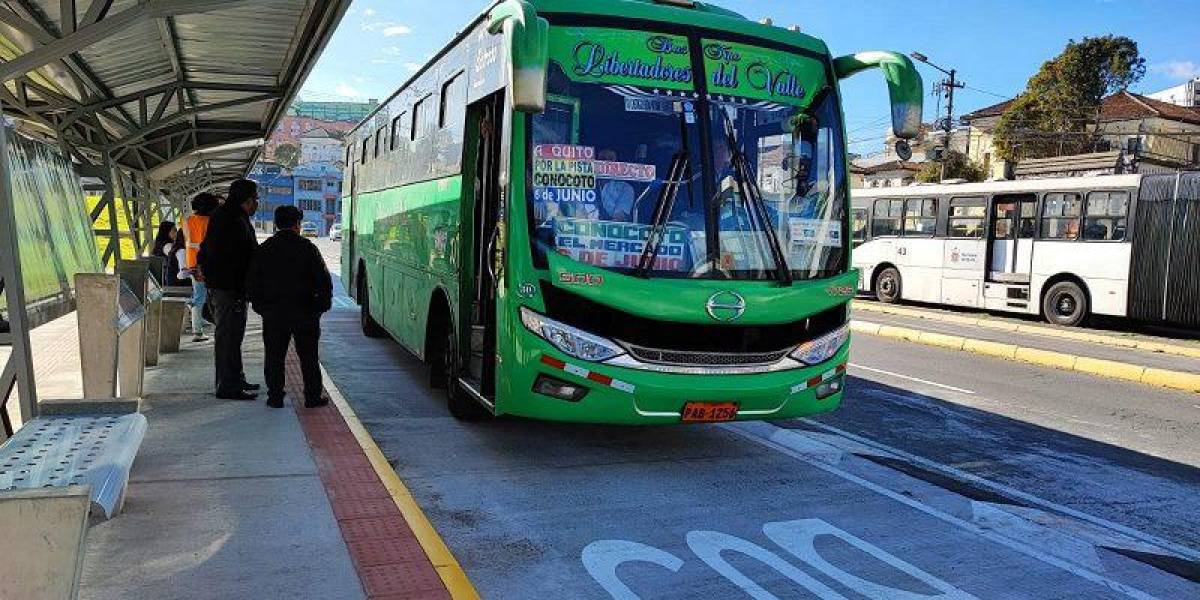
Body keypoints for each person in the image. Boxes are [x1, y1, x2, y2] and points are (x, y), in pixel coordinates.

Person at [246, 206, 332, 409]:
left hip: (274, 313)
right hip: (305, 310)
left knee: (274, 356)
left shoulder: (265, 248)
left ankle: (275, 397)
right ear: (297, 225)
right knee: (309, 356)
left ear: (276, 224)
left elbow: (251, 282)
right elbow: (323, 280)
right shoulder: (308, 248)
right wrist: (321, 306)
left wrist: (261, 307)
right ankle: (312, 397)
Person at [198, 179, 261, 401]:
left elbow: (204, 250)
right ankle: (227, 385)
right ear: (247, 200)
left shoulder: (227, 216)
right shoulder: (232, 220)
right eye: (256, 199)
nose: (257, 204)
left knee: (234, 336)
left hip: (228, 287)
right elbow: (236, 256)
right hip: (229, 288)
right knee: (228, 337)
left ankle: (236, 378)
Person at [184, 193, 219, 342]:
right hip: (204, 263)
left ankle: (198, 322)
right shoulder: (209, 221)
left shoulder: (187, 220)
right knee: (200, 296)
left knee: (200, 293)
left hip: (191, 261)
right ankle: (197, 331)